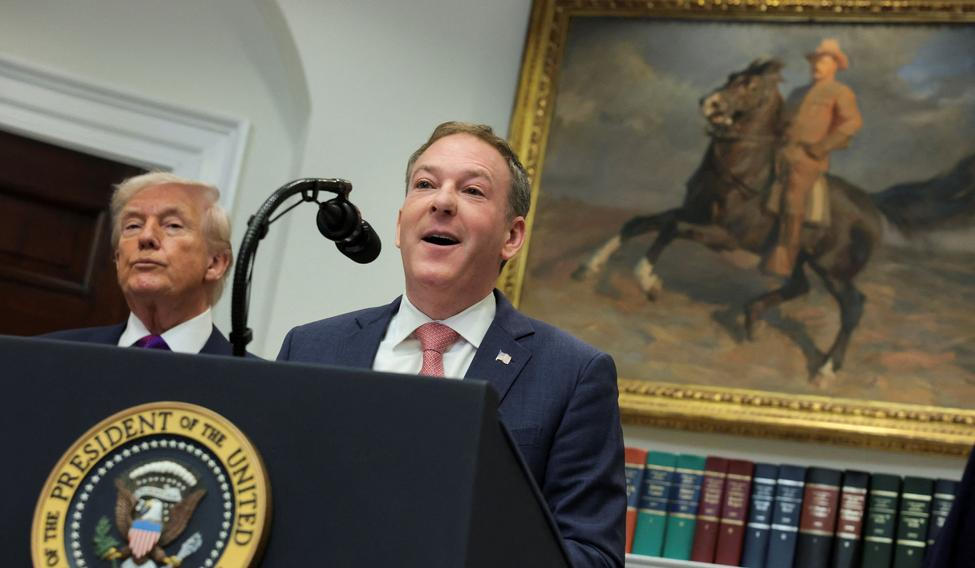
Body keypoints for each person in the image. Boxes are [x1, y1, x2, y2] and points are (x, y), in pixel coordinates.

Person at [277, 122, 626, 567]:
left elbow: (592, 556)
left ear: (512, 237)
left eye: (473, 191)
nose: (441, 201)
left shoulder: (573, 375)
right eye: (425, 184)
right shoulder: (310, 350)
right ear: (401, 223)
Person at [44, 172, 235, 355]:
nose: (145, 236)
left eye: (173, 225)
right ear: (118, 260)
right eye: (133, 226)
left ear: (215, 263)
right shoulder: (47, 356)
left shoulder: (257, 383)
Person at [762, 38, 863, 277]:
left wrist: (822, 147)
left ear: (835, 66)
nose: (817, 65)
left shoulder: (840, 92)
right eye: (815, 61)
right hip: (783, 150)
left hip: (808, 157)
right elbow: (782, 121)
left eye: (824, 61)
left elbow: (853, 123)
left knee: (792, 194)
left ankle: (785, 257)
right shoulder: (798, 92)